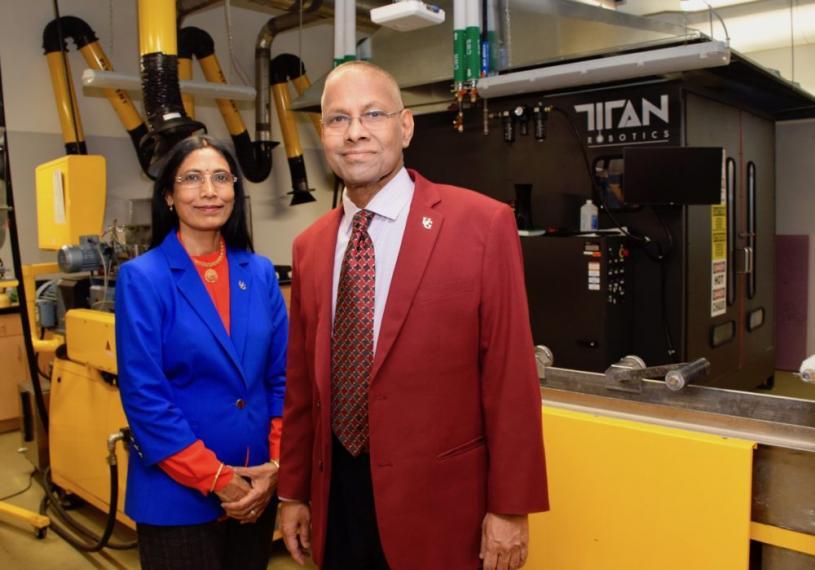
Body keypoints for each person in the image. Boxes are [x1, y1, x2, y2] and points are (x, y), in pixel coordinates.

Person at [278, 61, 549, 570]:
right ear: (322, 134)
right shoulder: (310, 246)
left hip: (440, 509)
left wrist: (510, 508)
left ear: (405, 127)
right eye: (338, 119)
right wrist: (294, 492)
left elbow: (510, 377)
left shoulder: (482, 225)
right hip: (337, 499)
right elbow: (301, 389)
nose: (355, 132)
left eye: (372, 114)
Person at [115, 134, 287, 570]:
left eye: (220, 178)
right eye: (192, 179)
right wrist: (219, 479)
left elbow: (283, 377)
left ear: (234, 190)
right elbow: (145, 399)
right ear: (169, 195)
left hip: (257, 486)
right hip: (178, 495)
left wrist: (275, 466)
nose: (209, 191)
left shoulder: (260, 272)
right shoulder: (143, 278)